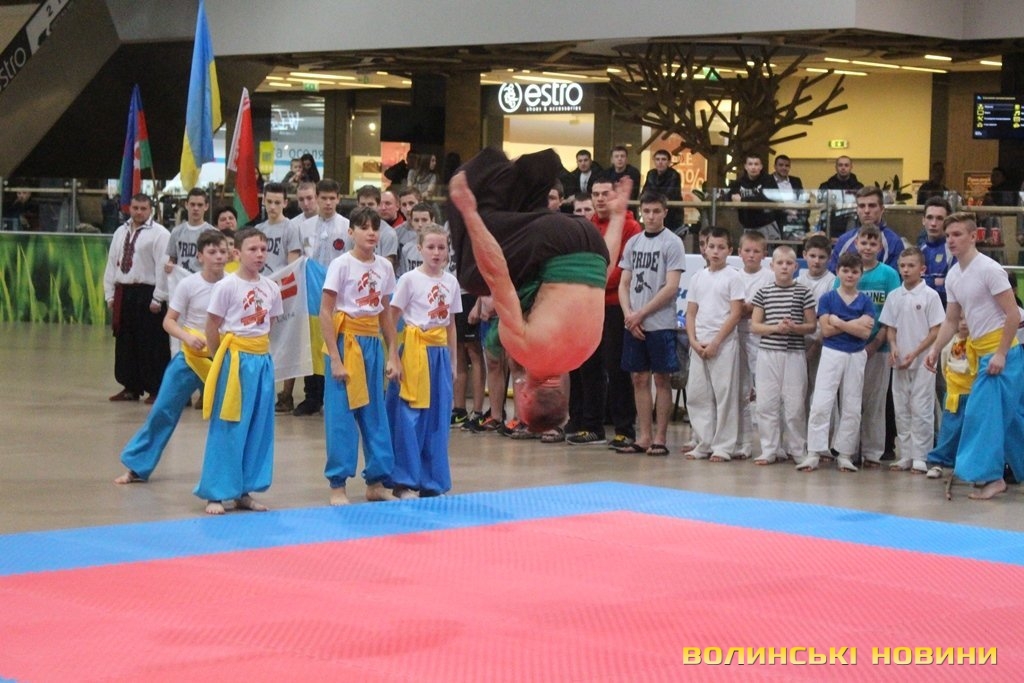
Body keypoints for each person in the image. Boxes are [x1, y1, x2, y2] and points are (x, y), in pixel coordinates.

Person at [447, 147, 632, 432]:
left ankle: (539, 173)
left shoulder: (583, 353)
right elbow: (497, 275)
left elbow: (600, 272)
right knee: (472, 273)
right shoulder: (526, 351)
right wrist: (470, 213)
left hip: (593, 241)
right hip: (553, 239)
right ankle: (492, 167)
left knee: (521, 228)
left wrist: (618, 216)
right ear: (524, 397)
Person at [924, 213, 1024, 500]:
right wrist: (935, 348)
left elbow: (1013, 315)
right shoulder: (954, 275)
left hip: (1002, 355)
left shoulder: (990, 270)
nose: (951, 240)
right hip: (981, 352)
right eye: (948, 236)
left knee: (982, 415)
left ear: (973, 236)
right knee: (1011, 420)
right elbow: (951, 320)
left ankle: (992, 478)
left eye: (957, 234)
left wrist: (1001, 354)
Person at [114, 230, 227, 484]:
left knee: (228, 417)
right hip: (190, 357)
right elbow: (169, 321)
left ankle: (227, 476)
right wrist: (187, 337)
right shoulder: (189, 285)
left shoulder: (232, 284)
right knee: (162, 411)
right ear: (200, 256)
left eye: (222, 251)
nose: (218, 257)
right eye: (212, 252)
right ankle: (137, 467)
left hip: (221, 358)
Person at [196, 227, 283, 514]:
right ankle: (216, 492)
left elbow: (271, 323)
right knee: (229, 425)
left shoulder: (271, 287)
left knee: (258, 426)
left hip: (261, 360)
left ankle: (244, 490)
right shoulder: (227, 286)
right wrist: (219, 358)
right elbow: (212, 325)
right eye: (252, 249)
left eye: (263, 249)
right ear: (237, 253)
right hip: (234, 361)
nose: (259, 255)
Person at [319, 206, 400, 505]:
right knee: (341, 414)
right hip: (346, 341)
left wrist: (393, 354)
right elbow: (325, 312)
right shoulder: (341, 265)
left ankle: (376, 482)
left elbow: (386, 314)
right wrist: (335, 357)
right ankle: (337, 484)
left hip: (372, 343)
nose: (371, 233)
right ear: (351, 232)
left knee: (375, 413)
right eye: (364, 227)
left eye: (375, 228)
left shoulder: (385, 267)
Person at [565, 176, 641, 446]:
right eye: (595, 194)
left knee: (616, 367)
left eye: (605, 193)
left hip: (615, 304)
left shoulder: (631, 227)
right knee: (587, 365)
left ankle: (624, 429)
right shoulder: (587, 226)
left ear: (615, 196)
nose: (599, 199)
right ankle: (590, 425)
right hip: (589, 305)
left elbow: (625, 269)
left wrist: (594, 279)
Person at [386, 223, 461, 498]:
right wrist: (393, 356)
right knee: (410, 417)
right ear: (419, 249)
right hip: (414, 351)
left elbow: (451, 324)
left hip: (439, 353)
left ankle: (432, 481)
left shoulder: (451, 282)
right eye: (431, 247)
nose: (436, 252)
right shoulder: (409, 280)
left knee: (437, 418)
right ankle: (404, 481)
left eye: (441, 247)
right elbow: (391, 319)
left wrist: (453, 362)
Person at [615, 191, 685, 456]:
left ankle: (660, 437)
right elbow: (624, 283)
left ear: (665, 212)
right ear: (641, 212)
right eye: (647, 211)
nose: (651, 216)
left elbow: (672, 286)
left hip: (660, 322)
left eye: (656, 211)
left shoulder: (673, 243)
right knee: (638, 378)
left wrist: (640, 313)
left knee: (662, 378)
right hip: (634, 322)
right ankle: (643, 435)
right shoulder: (633, 242)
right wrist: (628, 314)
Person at [801, 252, 876, 472]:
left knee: (852, 405)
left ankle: (845, 453)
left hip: (856, 354)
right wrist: (854, 323)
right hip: (832, 353)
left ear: (861, 274)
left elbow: (865, 333)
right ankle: (814, 452)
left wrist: (839, 322)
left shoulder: (865, 301)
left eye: (854, 271)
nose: (850, 275)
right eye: (845, 270)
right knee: (821, 402)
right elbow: (826, 330)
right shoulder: (828, 298)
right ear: (838, 272)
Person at [750, 245, 816, 465]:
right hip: (768, 353)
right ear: (772, 266)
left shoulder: (803, 292)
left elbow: (812, 325)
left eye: (789, 263)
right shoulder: (763, 292)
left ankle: (797, 449)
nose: (784, 267)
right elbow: (755, 325)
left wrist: (795, 328)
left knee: (795, 404)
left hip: (794, 353)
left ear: (796, 266)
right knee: (766, 404)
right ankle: (769, 448)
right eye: (780, 263)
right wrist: (775, 328)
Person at [880, 246, 944, 473]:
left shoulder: (930, 296)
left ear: (922, 269)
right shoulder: (894, 296)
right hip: (900, 361)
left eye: (911, 266)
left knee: (921, 408)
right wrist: (894, 347)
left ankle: (921, 455)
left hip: (923, 361)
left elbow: (936, 330)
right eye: (902, 266)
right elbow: (891, 328)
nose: (906, 270)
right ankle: (906, 454)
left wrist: (915, 353)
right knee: (901, 407)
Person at [103, 193, 171, 404]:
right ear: (129, 208)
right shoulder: (120, 232)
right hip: (125, 291)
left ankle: (156, 388)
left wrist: (159, 297)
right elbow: (111, 263)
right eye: (135, 208)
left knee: (151, 343)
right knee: (126, 341)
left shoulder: (160, 234)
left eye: (143, 208)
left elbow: (163, 267)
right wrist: (110, 294)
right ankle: (130, 386)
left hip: (148, 292)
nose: (139, 212)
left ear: (151, 210)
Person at [684, 227, 745, 461]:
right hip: (699, 343)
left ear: (730, 250)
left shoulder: (733, 277)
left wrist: (716, 342)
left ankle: (724, 446)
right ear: (705, 249)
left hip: (723, 343)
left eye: (721, 247)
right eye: (711, 247)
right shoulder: (698, 277)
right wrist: (693, 340)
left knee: (725, 395)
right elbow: (691, 313)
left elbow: (735, 313)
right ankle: (704, 442)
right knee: (697, 394)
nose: (716, 251)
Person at [293, 178, 350, 417]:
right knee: (312, 340)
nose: (327, 203)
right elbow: (298, 260)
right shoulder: (303, 227)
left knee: (335, 338)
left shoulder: (347, 226)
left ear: (338, 199)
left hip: (338, 291)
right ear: (317, 199)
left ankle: (333, 394)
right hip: (312, 290)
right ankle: (312, 396)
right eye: (323, 198)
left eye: (331, 198)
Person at [848, 223, 901, 469]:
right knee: (851, 400)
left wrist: (877, 342)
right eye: (864, 242)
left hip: (879, 348)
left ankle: (872, 452)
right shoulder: (849, 271)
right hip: (851, 347)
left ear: (880, 246)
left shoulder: (888, 275)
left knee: (876, 402)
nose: (868, 247)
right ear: (856, 244)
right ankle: (849, 449)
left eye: (873, 243)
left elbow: (892, 315)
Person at [276, 180, 321, 414]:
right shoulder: (293, 226)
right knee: (307, 341)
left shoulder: (340, 224)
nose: (306, 203)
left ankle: (328, 394)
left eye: (310, 198)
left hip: (326, 286)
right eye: (301, 199)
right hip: (304, 291)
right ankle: (311, 396)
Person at [736, 231, 774, 458]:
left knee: (766, 393)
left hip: (762, 339)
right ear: (739, 252)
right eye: (747, 251)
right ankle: (744, 443)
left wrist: (749, 308)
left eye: (756, 251)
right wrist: (744, 309)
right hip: (737, 336)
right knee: (741, 391)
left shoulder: (770, 277)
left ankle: (773, 445)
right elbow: (734, 308)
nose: (751, 255)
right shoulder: (734, 276)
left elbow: (765, 307)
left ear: (764, 254)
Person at [924, 317, 972, 479]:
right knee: (949, 431)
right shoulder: (948, 344)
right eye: (960, 319)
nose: (963, 323)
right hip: (953, 395)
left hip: (972, 395)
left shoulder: (977, 343)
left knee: (970, 432)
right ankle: (938, 462)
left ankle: (967, 465)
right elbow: (944, 367)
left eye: (967, 318)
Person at [827, 186, 905, 272]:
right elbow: (833, 274)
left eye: (872, 206)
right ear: (857, 210)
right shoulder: (844, 240)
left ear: (882, 209)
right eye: (862, 206)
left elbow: (894, 278)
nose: (867, 210)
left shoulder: (894, 243)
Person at [797, 234, 836, 397]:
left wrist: (817, 345)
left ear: (829, 258)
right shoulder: (798, 281)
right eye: (812, 256)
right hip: (799, 342)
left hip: (823, 342)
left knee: (820, 390)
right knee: (799, 391)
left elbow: (831, 320)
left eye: (822, 257)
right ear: (804, 255)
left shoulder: (833, 282)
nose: (816, 261)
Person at [255, 181, 302, 275]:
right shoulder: (258, 229)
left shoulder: (291, 228)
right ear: (263, 201)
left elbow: (293, 267)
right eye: (269, 202)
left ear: (285, 203)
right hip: (259, 279)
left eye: (277, 203)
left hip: (280, 281)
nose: (272, 207)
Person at [165, 188, 216, 274]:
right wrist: (169, 266)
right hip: (181, 279)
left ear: (206, 206)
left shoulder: (213, 233)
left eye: (200, 205)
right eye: (192, 204)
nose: (196, 208)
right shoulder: (176, 231)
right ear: (186, 205)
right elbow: (172, 259)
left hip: (203, 279)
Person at [728, 154, 780, 239]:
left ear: (761, 166)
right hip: (747, 226)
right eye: (750, 164)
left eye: (756, 164)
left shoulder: (769, 180)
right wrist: (732, 197)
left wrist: (742, 200)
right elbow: (729, 196)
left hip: (767, 225)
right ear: (745, 166)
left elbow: (769, 198)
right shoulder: (739, 182)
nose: (753, 167)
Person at [917, 197, 953, 306]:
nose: (933, 223)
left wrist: (925, 281)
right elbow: (911, 285)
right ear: (923, 220)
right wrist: (936, 281)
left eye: (939, 218)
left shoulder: (954, 251)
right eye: (929, 217)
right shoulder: (918, 251)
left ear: (948, 222)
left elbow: (953, 288)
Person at [354, 185, 400, 268]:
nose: (366, 208)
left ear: (378, 205)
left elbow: (387, 267)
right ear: (357, 205)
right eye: (363, 204)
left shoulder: (389, 233)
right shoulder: (353, 229)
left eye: (370, 204)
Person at [818, 155, 863, 237]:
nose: (843, 168)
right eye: (840, 165)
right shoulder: (826, 186)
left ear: (851, 167)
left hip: (852, 226)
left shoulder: (859, 187)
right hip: (830, 227)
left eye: (846, 165)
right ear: (836, 167)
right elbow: (821, 208)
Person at [641, 150, 683, 229]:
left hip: (672, 215)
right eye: (657, 159)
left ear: (669, 162)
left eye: (663, 159)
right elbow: (645, 193)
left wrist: (652, 197)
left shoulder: (674, 175)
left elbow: (669, 195)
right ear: (654, 161)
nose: (660, 162)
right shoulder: (651, 174)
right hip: (654, 212)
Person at [769, 154, 807, 238]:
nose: (784, 168)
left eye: (787, 166)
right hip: (775, 222)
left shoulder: (796, 181)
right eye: (781, 165)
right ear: (775, 166)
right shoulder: (767, 180)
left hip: (795, 221)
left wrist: (800, 215)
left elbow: (803, 199)